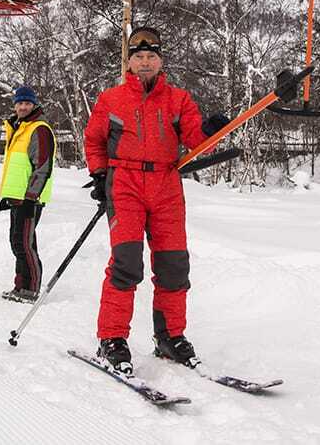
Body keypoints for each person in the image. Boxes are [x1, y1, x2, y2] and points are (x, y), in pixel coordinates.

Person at [83, 27, 229, 374]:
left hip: (166, 184)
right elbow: (94, 140)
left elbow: (194, 139)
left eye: (151, 57)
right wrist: (100, 175)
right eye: (138, 57)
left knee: (174, 266)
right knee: (126, 263)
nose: (145, 62)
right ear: (129, 63)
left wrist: (209, 130)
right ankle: (112, 338)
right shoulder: (112, 99)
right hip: (126, 184)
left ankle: (169, 336)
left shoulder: (177, 99)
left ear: (160, 61)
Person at [0, 85, 55, 303]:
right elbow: (18, 167)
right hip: (18, 197)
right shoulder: (19, 128)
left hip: (30, 199)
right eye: (20, 103)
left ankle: (30, 289)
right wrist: (8, 194)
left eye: (27, 103)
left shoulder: (38, 129)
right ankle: (20, 286)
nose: (23, 107)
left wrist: (31, 197)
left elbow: (42, 167)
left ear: (33, 105)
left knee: (24, 243)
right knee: (17, 241)